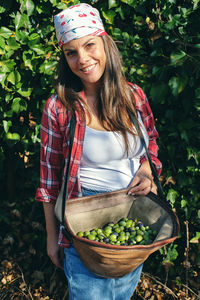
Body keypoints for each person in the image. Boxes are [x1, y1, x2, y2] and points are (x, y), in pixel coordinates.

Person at [36, 3, 162, 300]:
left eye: (89, 45)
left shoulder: (134, 96)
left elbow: (151, 144)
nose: (82, 59)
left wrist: (146, 170)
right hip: (85, 229)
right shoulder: (60, 108)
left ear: (105, 43)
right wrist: (51, 237)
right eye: (71, 52)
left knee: (122, 293)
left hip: (133, 221)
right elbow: (49, 180)